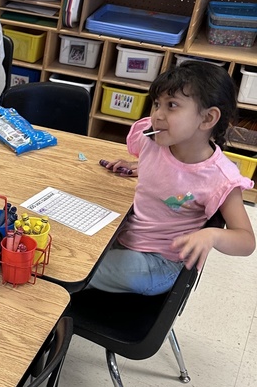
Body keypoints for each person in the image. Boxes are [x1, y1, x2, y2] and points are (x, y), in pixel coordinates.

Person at [90, 62, 255, 294]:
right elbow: (167, 169)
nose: (157, 114)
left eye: (172, 105)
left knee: (76, 270)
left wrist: (213, 235)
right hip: (124, 237)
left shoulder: (220, 178)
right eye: (157, 104)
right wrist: (137, 165)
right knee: (67, 248)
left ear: (207, 119)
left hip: (159, 263)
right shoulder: (152, 137)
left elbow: (246, 241)